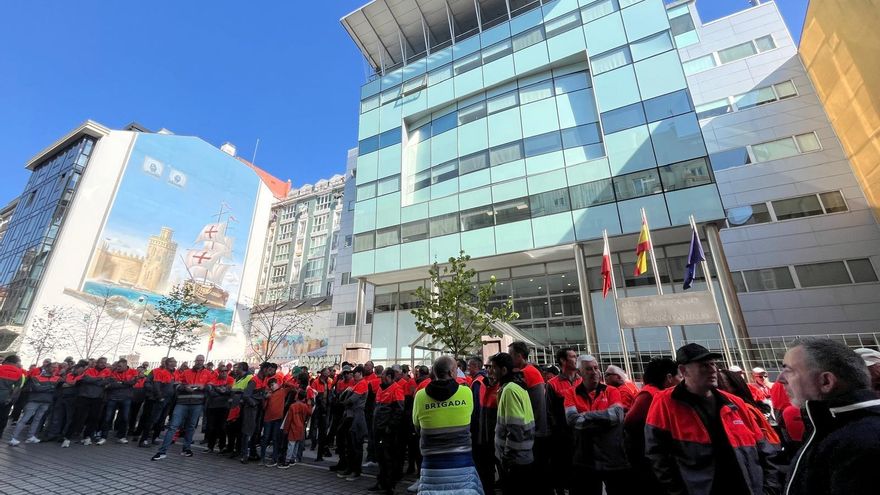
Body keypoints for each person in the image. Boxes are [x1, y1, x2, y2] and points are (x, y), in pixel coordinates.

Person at [645, 344, 780, 495]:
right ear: (683, 371)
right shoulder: (665, 402)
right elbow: (656, 455)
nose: (712, 370)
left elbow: (764, 449)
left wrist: (770, 489)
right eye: (704, 365)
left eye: (713, 364)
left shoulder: (735, 403)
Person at [778, 337, 880, 495]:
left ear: (826, 381)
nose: (780, 379)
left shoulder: (860, 441)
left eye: (788, 370)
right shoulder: (830, 427)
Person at [412, 356, 482, 494]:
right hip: (463, 465)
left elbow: (417, 427)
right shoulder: (466, 392)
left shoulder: (420, 396)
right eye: (456, 370)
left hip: (431, 468)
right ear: (451, 373)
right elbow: (471, 421)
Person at [564, 355, 628, 495]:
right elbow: (573, 421)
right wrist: (604, 420)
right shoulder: (571, 393)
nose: (594, 372)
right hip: (585, 460)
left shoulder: (612, 391)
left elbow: (617, 416)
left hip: (613, 458)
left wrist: (586, 415)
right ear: (579, 373)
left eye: (596, 368)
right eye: (588, 369)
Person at [623, 357, 679, 492]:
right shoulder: (649, 395)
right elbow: (630, 422)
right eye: (680, 375)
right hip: (647, 463)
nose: (681, 380)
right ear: (669, 377)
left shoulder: (657, 393)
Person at [152, 354, 211, 460]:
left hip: (197, 403)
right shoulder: (186, 372)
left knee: (191, 426)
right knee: (173, 426)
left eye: (201, 360)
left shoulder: (208, 373)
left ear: (204, 361)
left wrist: (204, 387)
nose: (199, 362)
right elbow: (176, 384)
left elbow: (211, 387)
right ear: (195, 361)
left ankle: (186, 449)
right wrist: (184, 387)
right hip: (182, 402)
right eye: (198, 360)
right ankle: (162, 451)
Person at [508, 341, 549, 494]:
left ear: (519, 356)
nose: (509, 358)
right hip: (535, 431)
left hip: (534, 433)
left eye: (511, 355)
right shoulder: (528, 371)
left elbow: (535, 406)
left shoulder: (527, 373)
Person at [492, 352, 535, 495]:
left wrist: (507, 458)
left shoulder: (509, 390)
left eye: (494, 368)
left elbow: (515, 428)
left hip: (515, 460)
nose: (491, 371)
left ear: (503, 370)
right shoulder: (518, 386)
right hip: (523, 455)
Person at [546, 347, 580, 495]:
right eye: (573, 356)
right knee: (562, 469)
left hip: (582, 434)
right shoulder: (553, 384)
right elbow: (549, 411)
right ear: (563, 361)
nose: (576, 358)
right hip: (562, 436)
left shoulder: (582, 380)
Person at [370, 367, 405, 494]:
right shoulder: (381, 388)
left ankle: (389, 485)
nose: (381, 378)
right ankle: (381, 482)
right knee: (381, 457)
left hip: (387, 432)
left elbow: (399, 411)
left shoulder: (396, 389)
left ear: (390, 377)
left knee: (388, 458)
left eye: (384, 376)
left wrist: (389, 427)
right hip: (378, 429)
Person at [9, 360, 59, 445]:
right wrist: (50, 387)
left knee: (37, 419)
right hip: (34, 401)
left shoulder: (56, 378)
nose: (54, 369)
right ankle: (13, 438)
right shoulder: (36, 377)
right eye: (52, 367)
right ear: (46, 367)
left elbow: (55, 389)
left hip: (46, 402)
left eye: (55, 368)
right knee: (25, 419)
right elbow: (37, 388)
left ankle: (30, 436)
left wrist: (45, 387)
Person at [69, 356, 111, 446]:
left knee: (93, 418)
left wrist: (95, 380)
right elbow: (86, 379)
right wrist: (100, 379)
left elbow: (106, 381)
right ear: (97, 363)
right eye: (101, 362)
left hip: (97, 397)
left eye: (105, 362)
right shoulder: (89, 370)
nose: (103, 364)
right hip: (85, 396)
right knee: (78, 416)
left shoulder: (107, 371)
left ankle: (87, 436)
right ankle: (68, 435)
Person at [337, 364, 369, 481]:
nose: (352, 374)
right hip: (351, 416)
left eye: (354, 372)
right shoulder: (356, 384)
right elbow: (344, 397)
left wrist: (344, 399)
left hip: (357, 416)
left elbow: (351, 400)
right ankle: (350, 468)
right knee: (350, 444)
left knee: (356, 445)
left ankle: (356, 471)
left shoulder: (362, 384)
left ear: (360, 373)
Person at [473, 358, 500, 493]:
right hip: (484, 440)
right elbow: (478, 413)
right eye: (487, 367)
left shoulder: (505, 387)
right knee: (486, 475)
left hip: (500, 440)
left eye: (492, 367)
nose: (489, 370)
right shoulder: (482, 384)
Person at [102, 359, 137, 444]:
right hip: (113, 398)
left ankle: (121, 436)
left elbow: (132, 382)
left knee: (125, 418)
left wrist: (119, 382)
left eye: (120, 366)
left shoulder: (133, 372)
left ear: (125, 366)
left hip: (126, 398)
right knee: (108, 417)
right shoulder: (113, 372)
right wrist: (123, 383)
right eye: (117, 366)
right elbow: (109, 385)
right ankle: (103, 436)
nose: (118, 368)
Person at [259, 377, 288, 466]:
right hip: (268, 419)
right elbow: (264, 407)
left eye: (273, 384)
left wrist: (284, 383)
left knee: (275, 439)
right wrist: (266, 398)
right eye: (270, 385)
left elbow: (293, 387)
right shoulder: (269, 393)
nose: (272, 387)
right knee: (266, 438)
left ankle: (274, 459)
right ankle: (262, 458)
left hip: (277, 419)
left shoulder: (283, 391)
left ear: (277, 383)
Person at [279, 389, 311, 468]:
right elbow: (309, 413)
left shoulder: (293, 406)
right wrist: (309, 404)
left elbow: (288, 419)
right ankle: (293, 459)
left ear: (297, 396)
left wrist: (285, 429)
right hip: (301, 426)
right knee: (296, 443)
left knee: (291, 444)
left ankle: (287, 461)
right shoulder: (305, 406)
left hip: (293, 426)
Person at [205, 365, 233, 453]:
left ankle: (222, 446)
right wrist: (221, 390)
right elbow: (210, 392)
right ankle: (210, 446)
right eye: (222, 371)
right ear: (218, 372)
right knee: (211, 427)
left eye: (226, 371)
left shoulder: (230, 379)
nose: (224, 372)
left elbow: (228, 391)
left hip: (224, 407)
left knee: (222, 427)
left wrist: (217, 389)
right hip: (212, 407)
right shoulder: (213, 379)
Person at [0, 355, 26, 440]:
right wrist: (10, 399)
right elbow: (18, 388)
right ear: (16, 363)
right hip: (7, 399)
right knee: (3, 417)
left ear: (7, 361)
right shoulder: (20, 373)